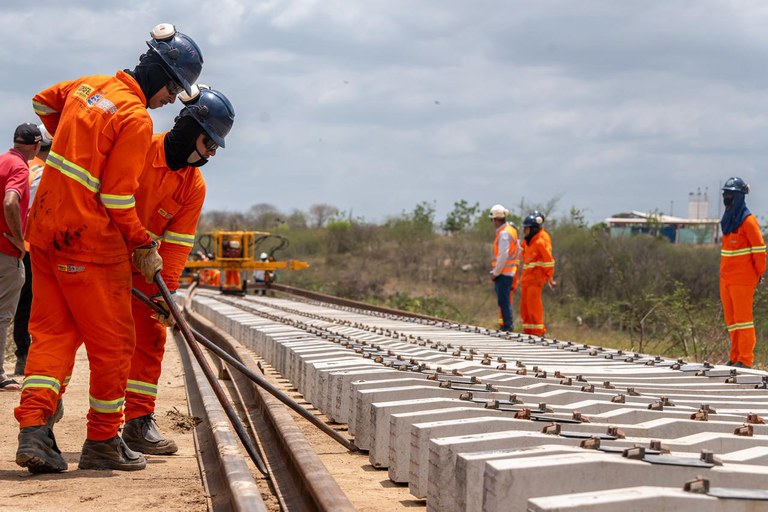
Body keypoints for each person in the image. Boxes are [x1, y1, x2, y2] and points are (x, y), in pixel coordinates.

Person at [15, 23, 204, 474]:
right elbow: (118, 197)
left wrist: (74, 143)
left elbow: (42, 100)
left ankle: (34, 430)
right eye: (171, 91)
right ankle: (102, 440)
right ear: (162, 77)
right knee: (115, 345)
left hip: (43, 230)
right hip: (87, 241)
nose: (168, 101)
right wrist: (142, 243)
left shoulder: (88, 87)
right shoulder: (136, 119)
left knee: (53, 334)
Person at [124, 85, 234, 454]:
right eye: (210, 141)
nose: (213, 152)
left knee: (151, 340)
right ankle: (45, 415)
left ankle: (138, 422)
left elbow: (177, 246)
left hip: (146, 271)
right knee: (83, 338)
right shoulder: (138, 150)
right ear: (190, 127)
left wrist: (165, 296)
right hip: (100, 259)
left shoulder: (193, 185)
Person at [0, 124, 40, 390]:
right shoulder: (20, 168)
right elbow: (10, 202)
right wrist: (17, 237)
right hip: (7, 251)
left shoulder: (3, 160)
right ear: (36, 146)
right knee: (3, 315)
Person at [12, 125, 52, 377]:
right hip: (34, 245)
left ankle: (23, 356)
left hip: (17, 244)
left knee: (19, 305)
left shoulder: (23, 166)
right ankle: (29, 357)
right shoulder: (46, 169)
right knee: (35, 303)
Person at [719, 177, 765, 369]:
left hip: (743, 279)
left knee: (744, 320)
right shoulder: (728, 220)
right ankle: (735, 356)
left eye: (730, 195)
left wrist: (758, 273)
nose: (726, 198)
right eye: (725, 194)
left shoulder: (748, 221)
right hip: (726, 278)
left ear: (738, 197)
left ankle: (745, 359)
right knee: (732, 320)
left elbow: (760, 250)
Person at [520, 212, 555, 336]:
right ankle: (528, 331)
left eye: (526, 228)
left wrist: (549, 277)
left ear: (533, 229)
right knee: (525, 308)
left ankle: (538, 333)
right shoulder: (528, 241)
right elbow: (521, 252)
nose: (524, 231)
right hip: (526, 280)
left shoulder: (541, 241)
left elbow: (549, 262)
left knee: (534, 307)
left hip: (535, 280)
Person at [488, 204, 520, 331]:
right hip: (510, 271)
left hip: (503, 274)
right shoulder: (511, 230)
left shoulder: (504, 234)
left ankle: (507, 327)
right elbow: (518, 250)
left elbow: (503, 256)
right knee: (505, 301)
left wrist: (495, 273)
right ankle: (507, 325)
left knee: (504, 302)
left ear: (495, 219)